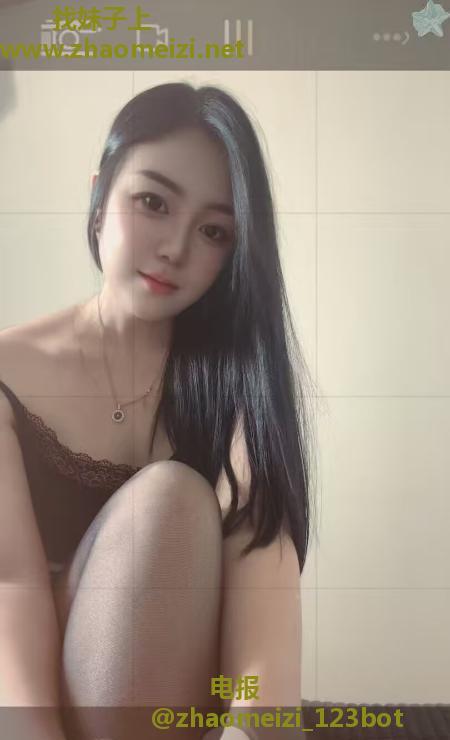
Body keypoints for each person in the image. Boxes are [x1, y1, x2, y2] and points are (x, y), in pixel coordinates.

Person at [0, 81, 315, 740]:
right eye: (153, 202)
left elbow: (262, 645)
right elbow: (11, 591)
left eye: (213, 231)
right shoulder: (9, 373)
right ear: (99, 196)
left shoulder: (240, 389)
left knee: (171, 502)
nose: (176, 247)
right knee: (165, 502)